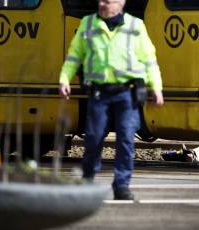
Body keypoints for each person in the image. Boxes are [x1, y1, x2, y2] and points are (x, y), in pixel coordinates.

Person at [59, 0, 164, 200]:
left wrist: (156, 88)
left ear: (120, 3)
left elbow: (150, 59)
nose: (101, 4)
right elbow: (74, 56)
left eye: (107, 1)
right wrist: (64, 79)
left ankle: (122, 186)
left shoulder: (135, 26)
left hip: (127, 93)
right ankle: (88, 179)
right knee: (94, 138)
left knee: (126, 139)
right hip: (99, 93)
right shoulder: (88, 24)